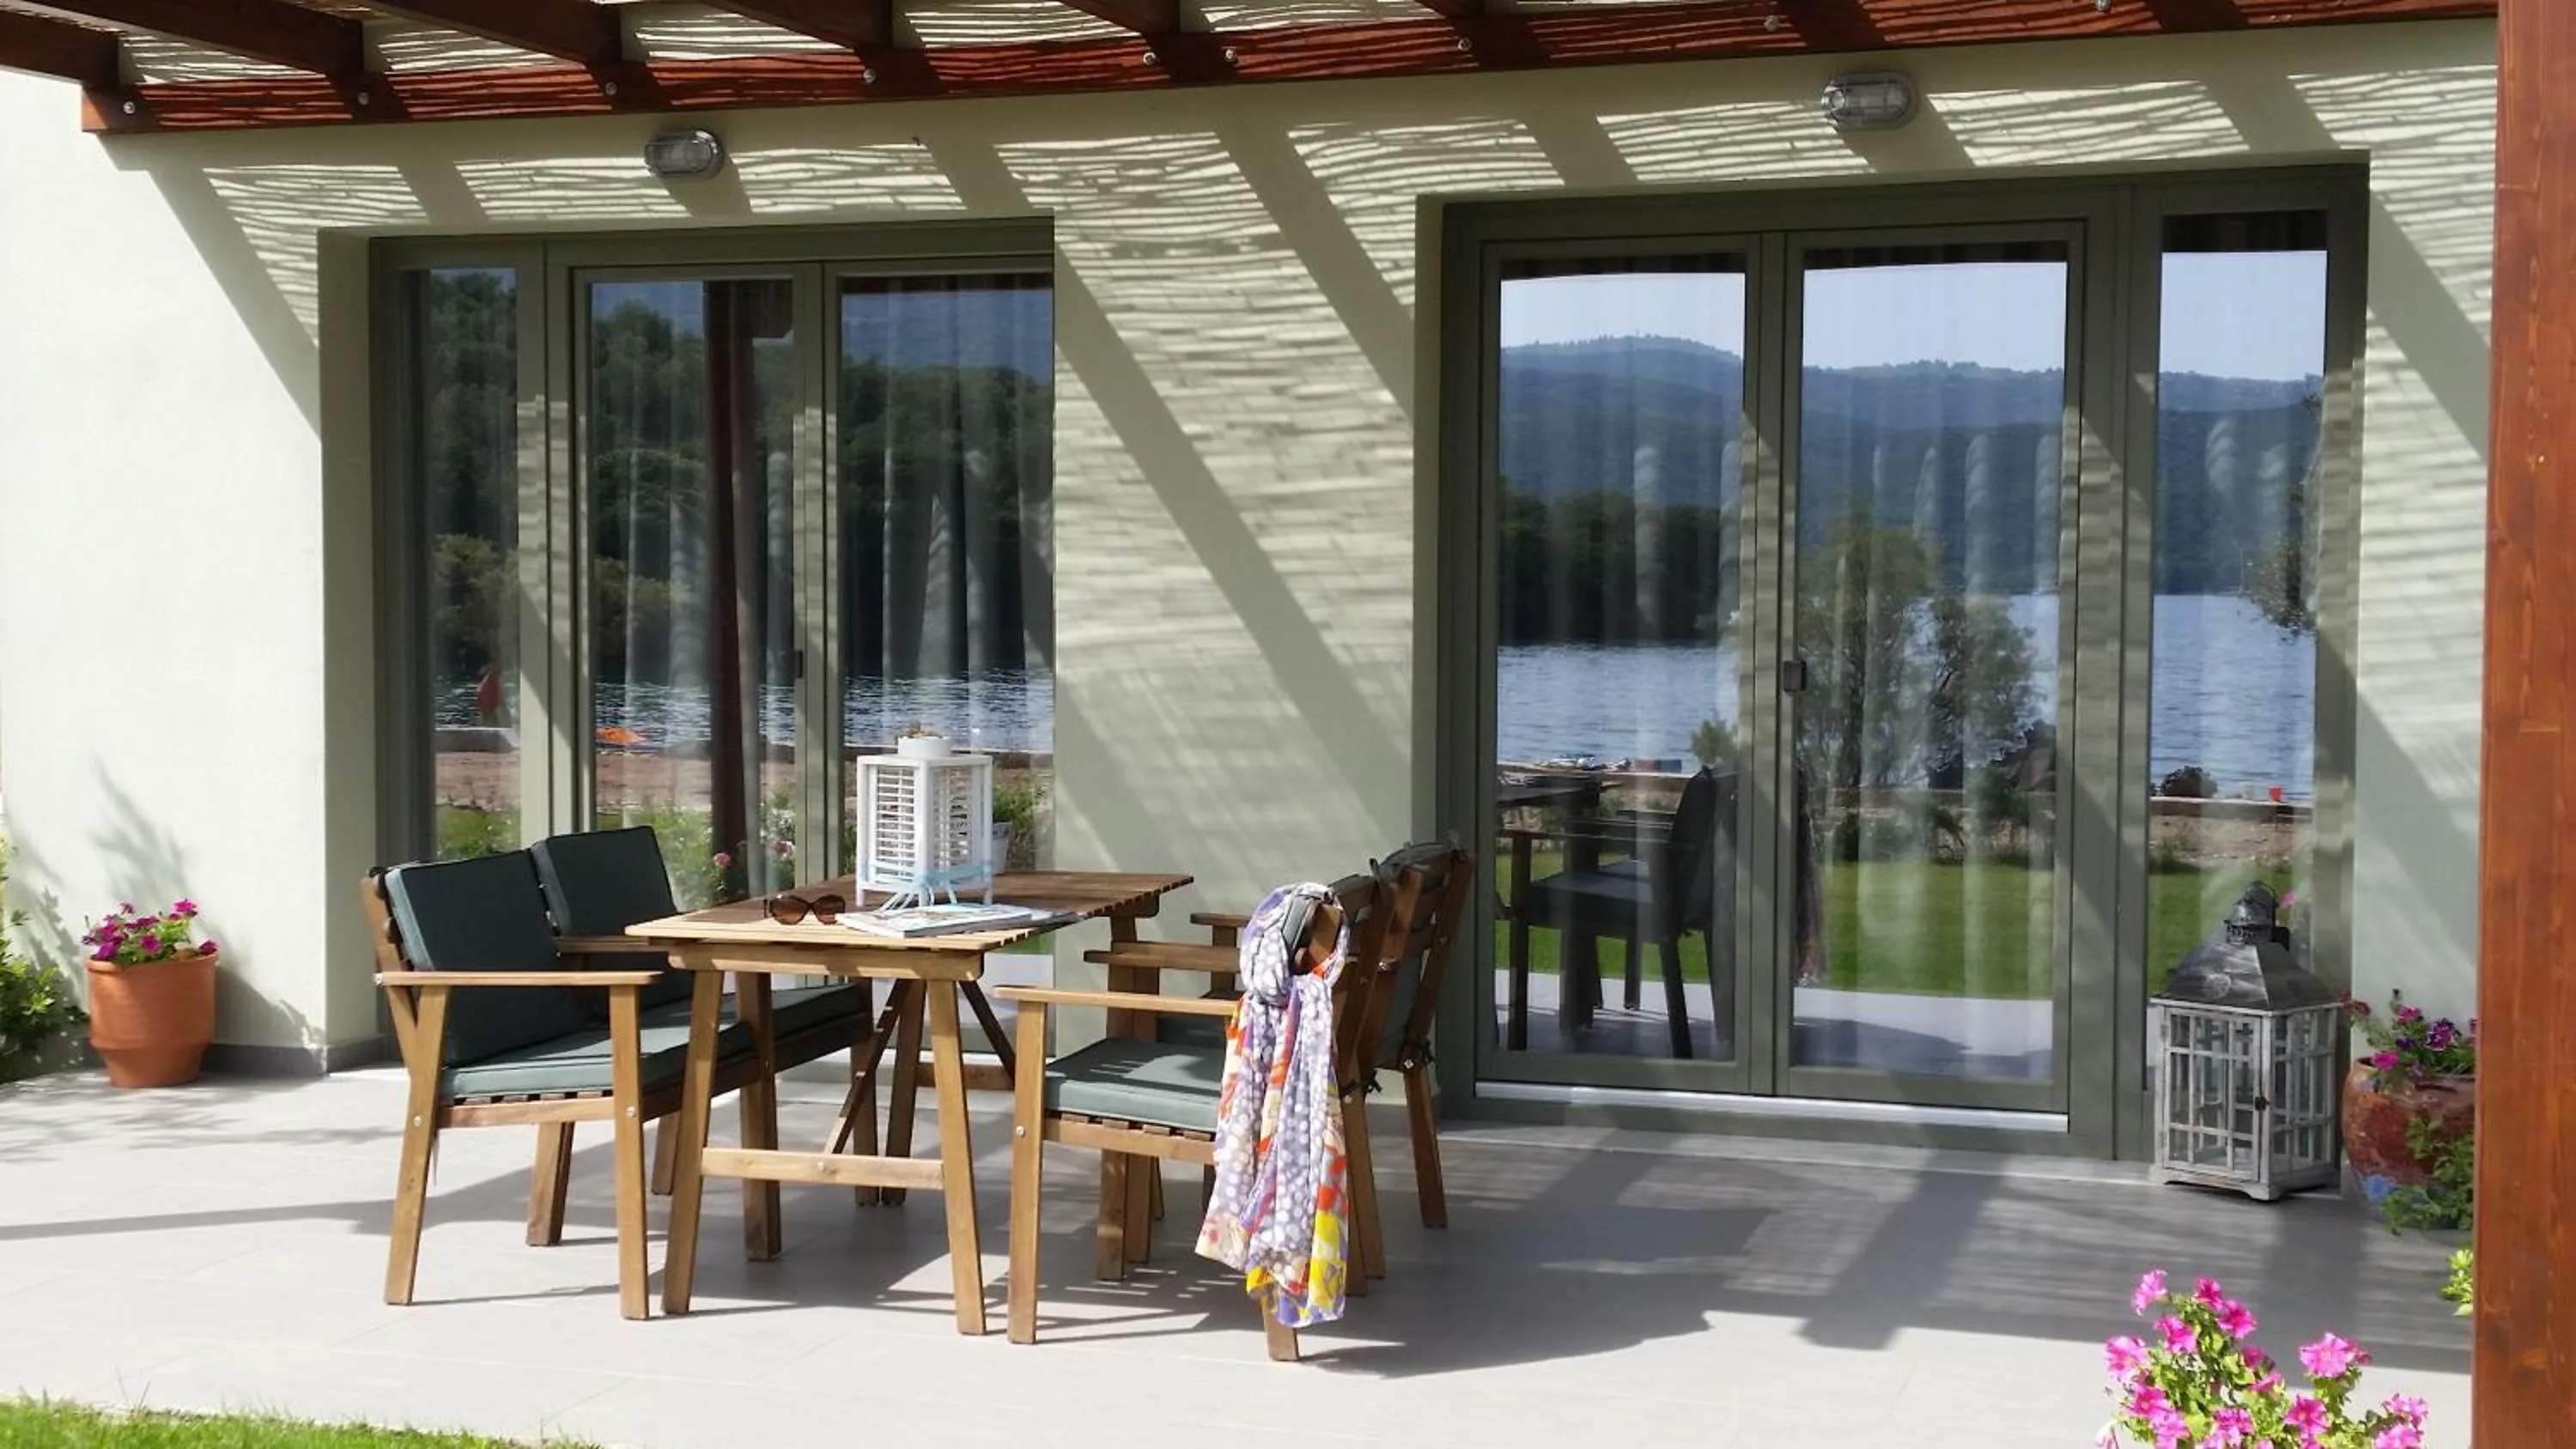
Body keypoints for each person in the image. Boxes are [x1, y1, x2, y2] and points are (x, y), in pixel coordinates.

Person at [473, 661, 502, 727]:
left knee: (489, 718)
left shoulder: (489, 679)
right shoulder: (490, 679)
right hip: (488, 706)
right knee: (489, 718)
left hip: (487, 705)